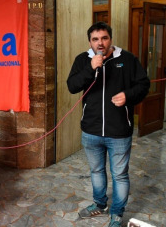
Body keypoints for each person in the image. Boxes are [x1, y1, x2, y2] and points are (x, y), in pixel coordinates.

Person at [67, 22, 150, 227]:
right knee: (96, 171)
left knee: (120, 175)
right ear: (90, 42)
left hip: (119, 132)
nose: (100, 43)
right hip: (91, 131)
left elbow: (143, 84)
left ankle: (116, 213)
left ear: (110, 39)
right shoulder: (82, 60)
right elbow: (72, 86)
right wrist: (91, 67)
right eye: (95, 39)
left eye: (104, 38)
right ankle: (100, 205)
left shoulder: (127, 59)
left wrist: (128, 96)